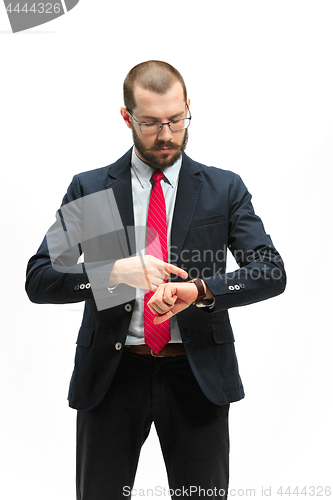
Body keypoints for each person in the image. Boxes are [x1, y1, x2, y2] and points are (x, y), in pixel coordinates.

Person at [25, 60, 286, 500]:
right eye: (149, 123)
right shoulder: (93, 190)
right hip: (111, 376)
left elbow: (270, 271)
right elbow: (40, 279)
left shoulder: (223, 189)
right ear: (126, 117)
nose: (166, 135)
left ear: (188, 108)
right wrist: (110, 274)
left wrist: (201, 292)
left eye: (176, 120)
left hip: (197, 372)